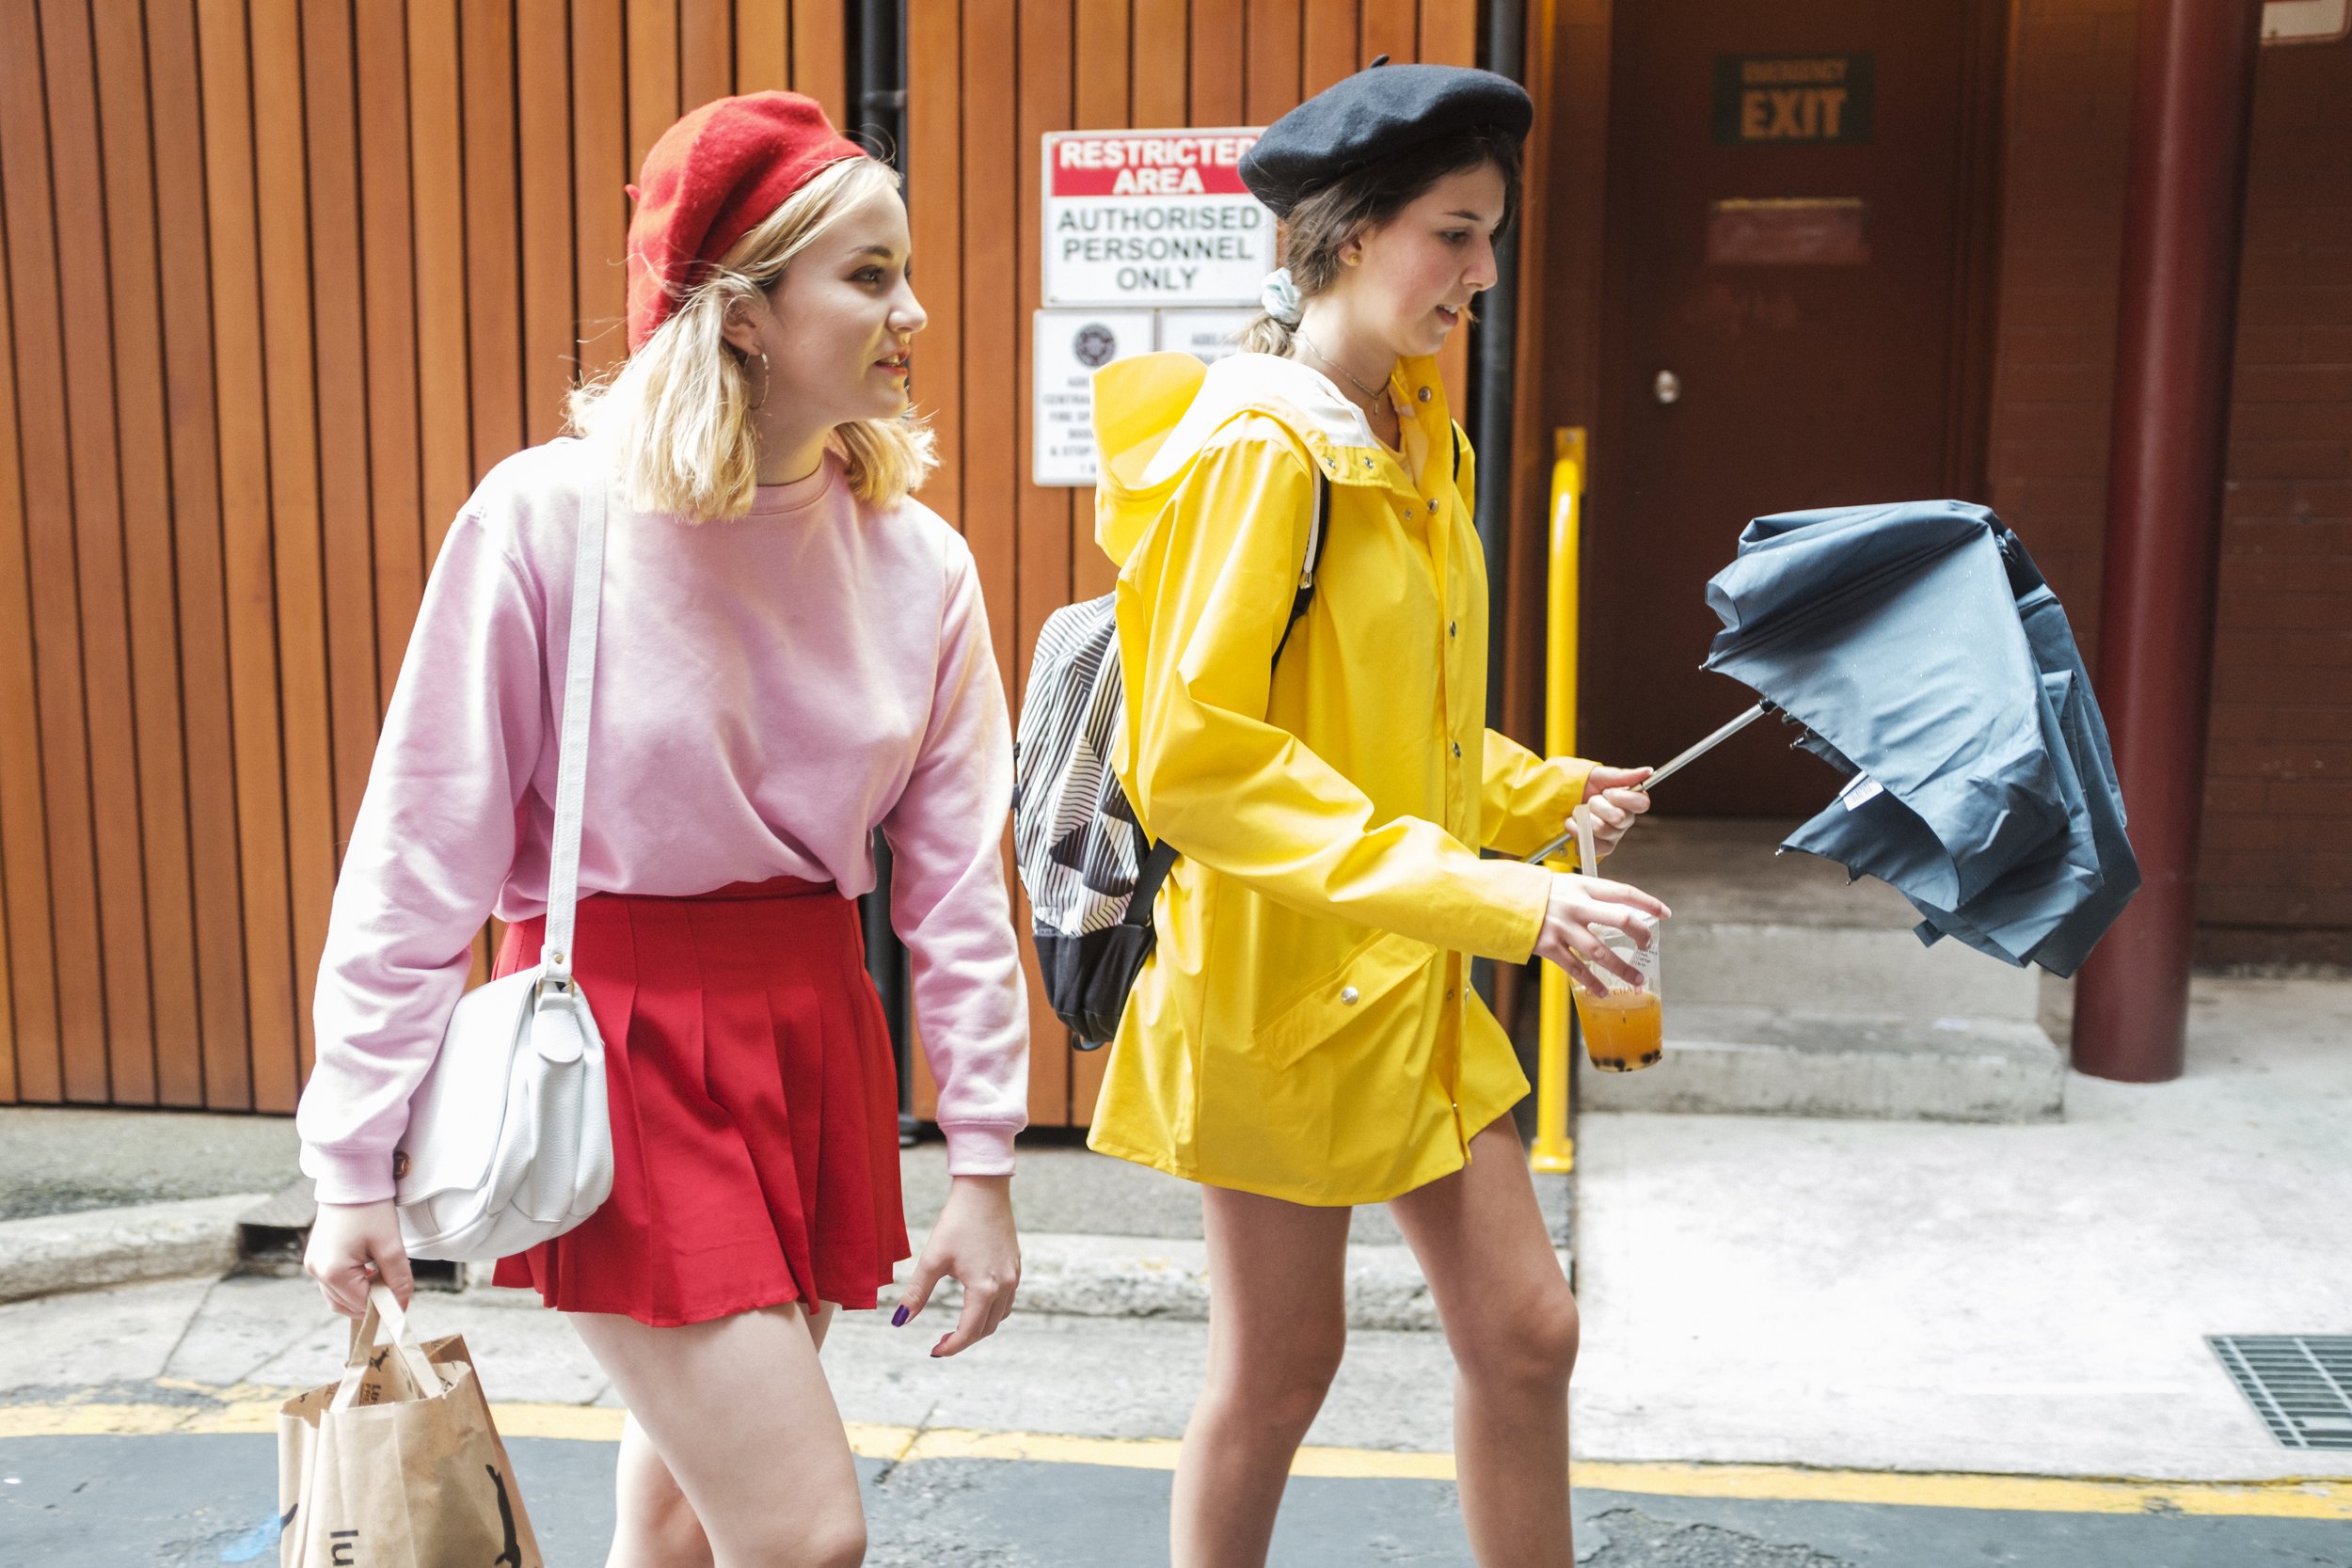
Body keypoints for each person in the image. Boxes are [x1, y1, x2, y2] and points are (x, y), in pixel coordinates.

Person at [294, 92, 1028, 1568]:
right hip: (615, 1045)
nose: (917, 311)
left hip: (815, 1032)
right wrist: (351, 1165)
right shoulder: (550, 520)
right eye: (871, 276)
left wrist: (987, 1161)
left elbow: (954, 891)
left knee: (685, 1523)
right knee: (807, 1533)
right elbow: (420, 847)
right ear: (744, 313)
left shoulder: (921, 563)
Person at [1085, 61, 1670, 1568]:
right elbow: (1199, 759)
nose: (1483, 273)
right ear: (1349, 237)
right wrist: (1510, 902)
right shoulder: (1265, 451)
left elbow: (1391, 728)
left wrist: (1546, 793)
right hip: (1279, 992)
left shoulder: (1409, 432)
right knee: (1281, 1375)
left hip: (1397, 971)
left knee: (1527, 1333)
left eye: (1490, 238)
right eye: (1454, 236)